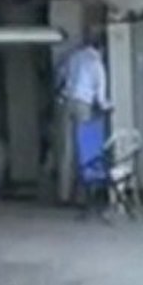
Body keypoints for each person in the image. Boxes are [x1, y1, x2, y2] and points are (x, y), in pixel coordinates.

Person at [55, 35, 112, 204]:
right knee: (84, 149)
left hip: (66, 102)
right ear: (101, 49)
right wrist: (108, 107)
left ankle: (63, 195)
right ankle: (82, 196)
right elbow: (101, 97)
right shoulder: (97, 64)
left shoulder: (74, 57)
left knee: (66, 149)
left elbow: (60, 76)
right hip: (84, 105)